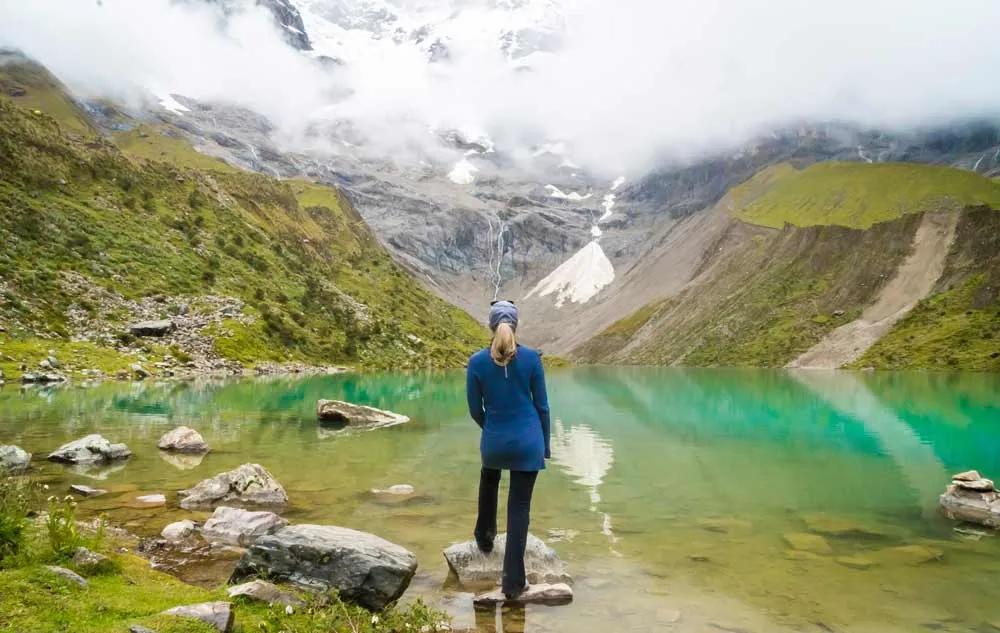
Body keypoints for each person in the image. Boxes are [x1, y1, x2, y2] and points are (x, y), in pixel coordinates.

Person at [466, 300, 551, 599]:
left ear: (491, 326)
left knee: (489, 478)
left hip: (494, 441)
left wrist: (492, 428)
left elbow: (475, 409)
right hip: (529, 442)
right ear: (515, 326)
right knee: (520, 508)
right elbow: (542, 406)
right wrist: (546, 445)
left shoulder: (476, 362)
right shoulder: (531, 359)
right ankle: (514, 584)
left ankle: (484, 537)